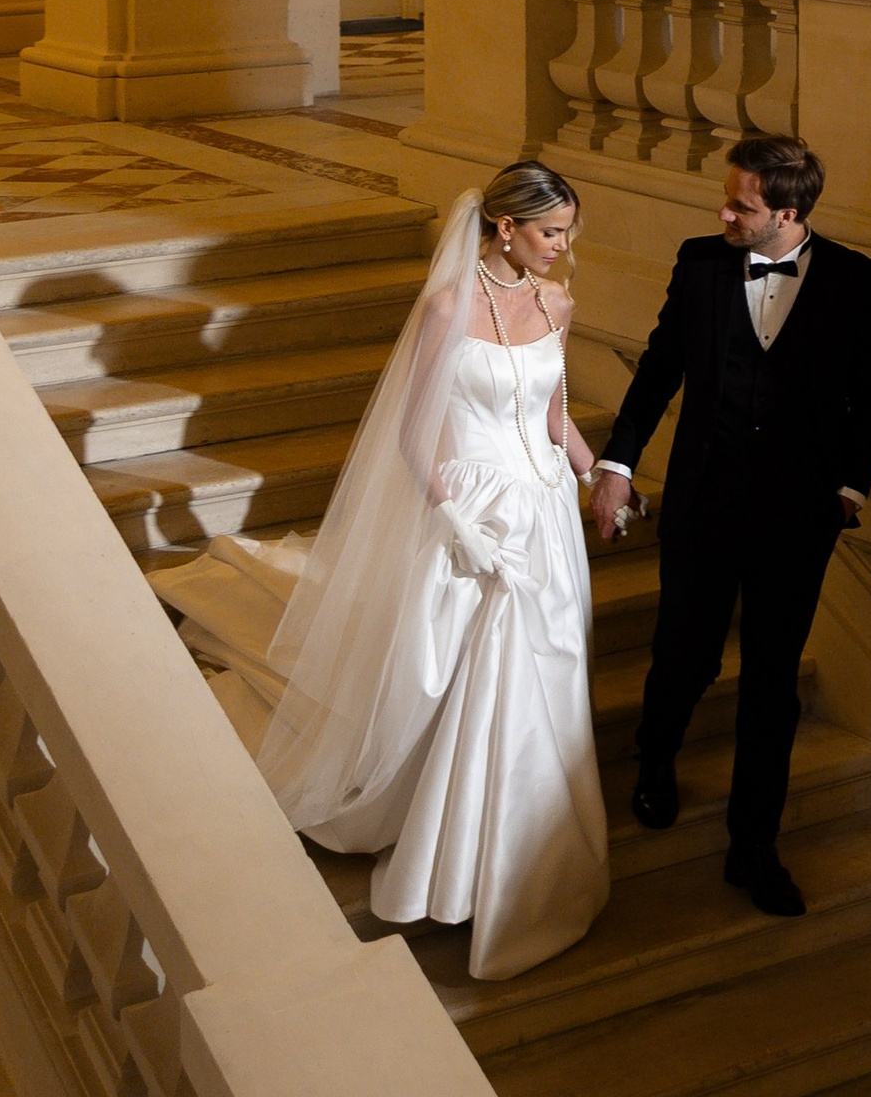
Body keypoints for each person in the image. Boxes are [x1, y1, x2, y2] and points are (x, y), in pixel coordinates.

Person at [254, 161, 611, 983]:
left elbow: (555, 416)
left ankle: (528, 858)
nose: (562, 248)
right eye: (551, 232)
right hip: (473, 511)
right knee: (477, 679)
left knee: (547, 681)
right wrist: (458, 524)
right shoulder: (447, 307)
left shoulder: (557, 303)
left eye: (567, 234)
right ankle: (454, 862)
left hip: (547, 516)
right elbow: (414, 435)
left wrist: (600, 474)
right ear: (504, 228)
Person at [588, 132, 871, 919]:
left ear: (787, 213)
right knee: (683, 656)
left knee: (771, 684)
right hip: (703, 503)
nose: (724, 212)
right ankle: (655, 758)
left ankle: (753, 846)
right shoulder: (701, 262)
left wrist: (848, 494)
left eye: (742, 205)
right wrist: (618, 465)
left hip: (797, 520)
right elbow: (658, 369)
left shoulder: (857, 281)